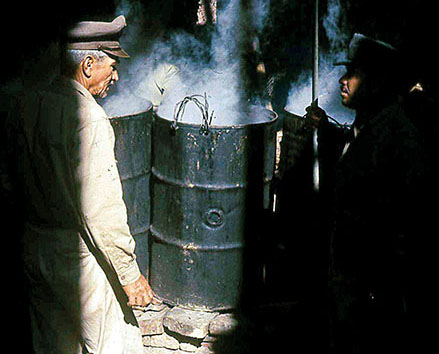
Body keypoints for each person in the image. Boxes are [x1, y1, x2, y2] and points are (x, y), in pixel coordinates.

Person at [6, 15, 155, 353]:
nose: (116, 76)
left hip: (36, 248)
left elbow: (7, 180)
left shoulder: (26, 102)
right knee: (114, 345)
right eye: (112, 65)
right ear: (88, 65)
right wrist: (129, 275)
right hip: (79, 261)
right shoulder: (89, 120)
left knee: (54, 345)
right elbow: (101, 213)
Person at [305, 33, 423, 353]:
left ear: (377, 82)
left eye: (353, 74)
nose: (343, 81)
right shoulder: (369, 125)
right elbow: (354, 152)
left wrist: (375, 291)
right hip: (348, 286)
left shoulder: (400, 140)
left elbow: (400, 228)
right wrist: (326, 130)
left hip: (371, 294)